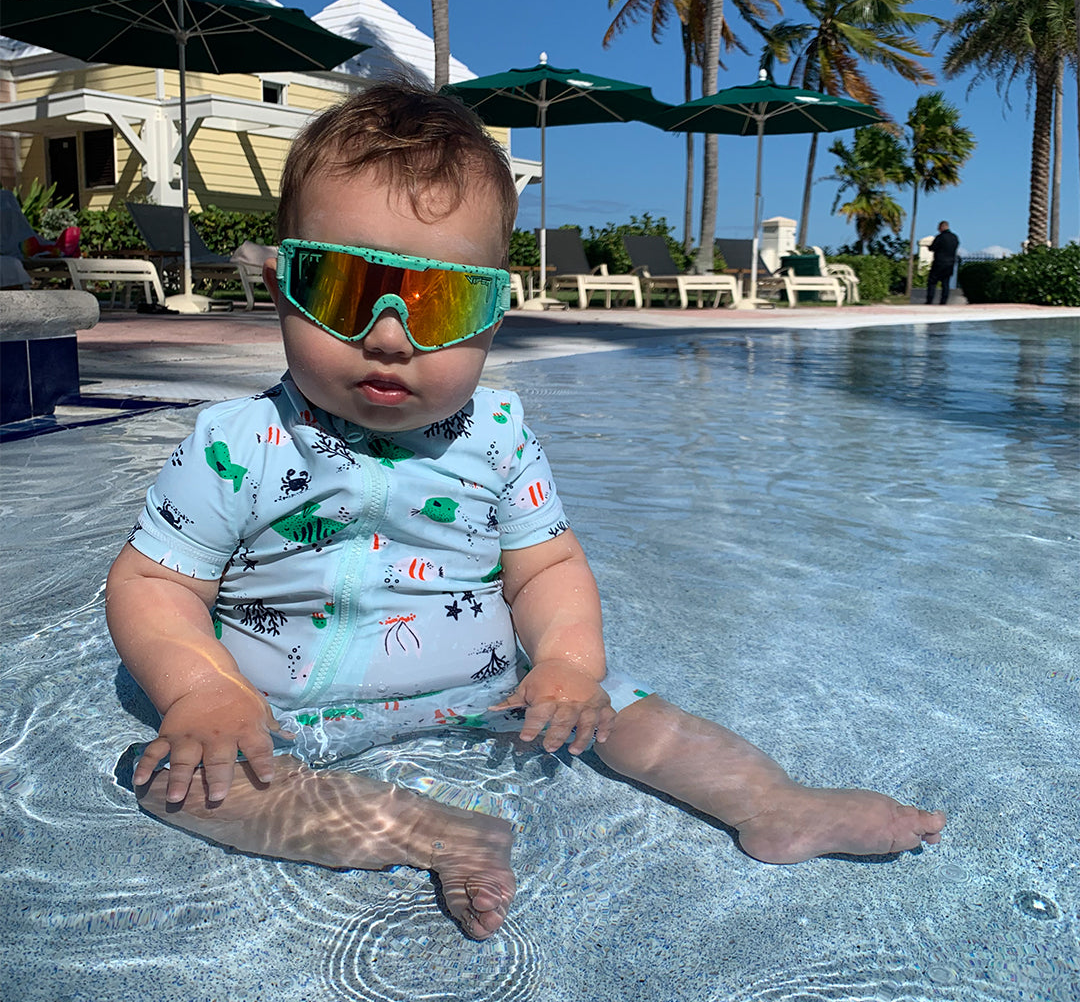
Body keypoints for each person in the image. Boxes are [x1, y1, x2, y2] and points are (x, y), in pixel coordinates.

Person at [106, 82, 946, 942]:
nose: (390, 335)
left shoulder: (499, 438)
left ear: (494, 314)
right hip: (278, 712)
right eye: (344, 288)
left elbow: (546, 566)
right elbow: (152, 582)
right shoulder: (239, 442)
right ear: (283, 282)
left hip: (490, 688)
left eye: (441, 302)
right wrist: (204, 691)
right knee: (173, 780)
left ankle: (774, 803)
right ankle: (437, 831)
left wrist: (570, 662)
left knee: (628, 715)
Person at [925, 220, 960, 305]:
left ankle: (930, 300)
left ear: (941, 227)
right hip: (950, 263)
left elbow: (933, 247)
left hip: (939, 263)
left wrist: (929, 247)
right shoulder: (954, 237)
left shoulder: (940, 237)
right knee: (945, 283)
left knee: (932, 282)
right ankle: (943, 301)